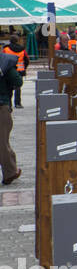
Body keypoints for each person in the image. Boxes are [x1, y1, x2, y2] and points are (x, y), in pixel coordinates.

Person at [0, 50, 21, 185]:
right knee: (2, 142)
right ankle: (10, 172)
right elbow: (17, 81)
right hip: (1, 105)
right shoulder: (4, 63)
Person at [3, 34, 27, 108]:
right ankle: (17, 103)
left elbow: (2, 58)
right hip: (20, 70)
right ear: (17, 40)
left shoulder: (6, 49)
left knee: (8, 87)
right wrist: (24, 67)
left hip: (8, 70)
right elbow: (27, 60)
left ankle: (8, 104)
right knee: (18, 86)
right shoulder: (22, 50)